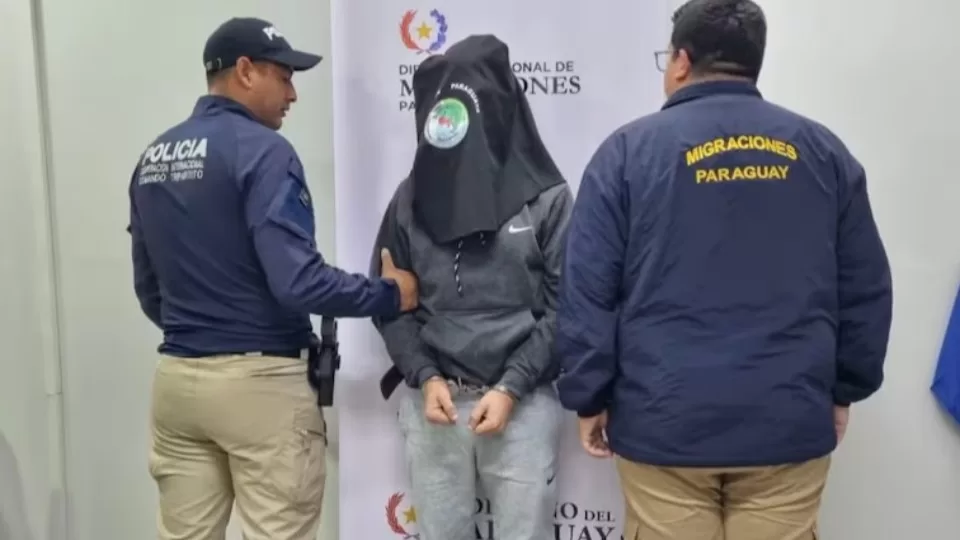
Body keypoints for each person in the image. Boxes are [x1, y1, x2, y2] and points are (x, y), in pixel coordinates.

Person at [555, 1, 893, 539]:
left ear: (681, 61)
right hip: (785, 420)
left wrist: (588, 395)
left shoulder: (627, 153)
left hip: (664, 424)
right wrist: (845, 388)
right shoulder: (822, 152)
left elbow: (588, 291)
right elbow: (865, 288)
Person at [127, 17, 419, 540]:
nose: (292, 94)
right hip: (260, 388)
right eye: (283, 77)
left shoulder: (154, 158)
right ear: (244, 71)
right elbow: (299, 283)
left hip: (178, 383)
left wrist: (203, 334)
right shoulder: (264, 152)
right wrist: (390, 294)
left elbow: (149, 290)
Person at [370, 34, 574, 540]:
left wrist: (511, 386)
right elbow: (389, 301)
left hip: (522, 403)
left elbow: (565, 307)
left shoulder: (546, 198)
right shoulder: (409, 200)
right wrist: (425, 375)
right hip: (435, 402)